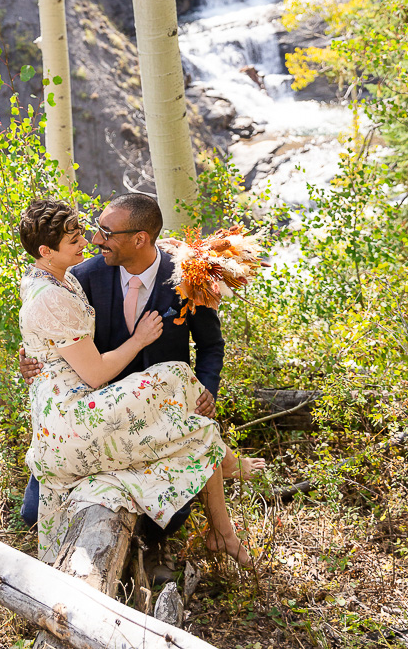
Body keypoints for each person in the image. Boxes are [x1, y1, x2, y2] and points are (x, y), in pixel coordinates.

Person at [19, 197, 253, 565]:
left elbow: (211, 346)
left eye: (106, 233)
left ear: (141, 239)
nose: (96, 240)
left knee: (170, 518)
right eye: (92, 231)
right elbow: (53, 336)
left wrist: (206, 391)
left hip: (154, 414)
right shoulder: (82, 276)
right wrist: (34, 362)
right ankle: (224, 464)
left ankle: (187, 525)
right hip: (92, 410)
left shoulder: (188, 278)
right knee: (34, 513)